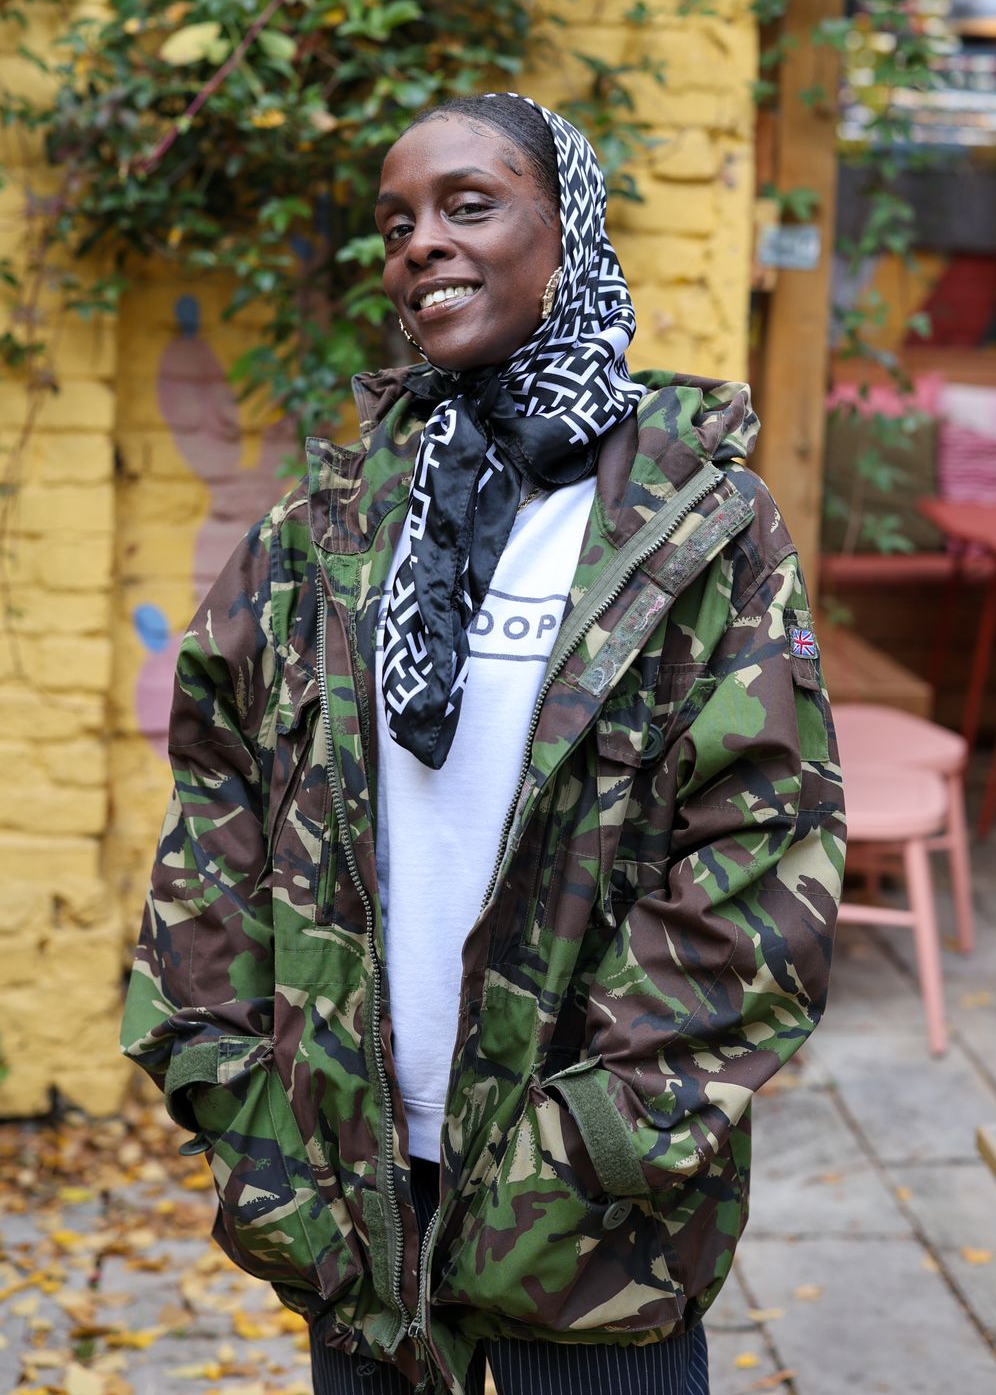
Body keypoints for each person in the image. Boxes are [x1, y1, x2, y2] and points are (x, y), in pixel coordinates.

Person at [121, 93, 845, 1395]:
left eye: (469, 206)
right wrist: (231, 1083)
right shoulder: (327, 527)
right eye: (397, 223)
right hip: (351, 1192)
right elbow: (216, 799)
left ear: (568, 234)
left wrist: (598, 1145)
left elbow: (761, 853)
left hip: (587, 1223)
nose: (422, 244)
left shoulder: (697, 527)